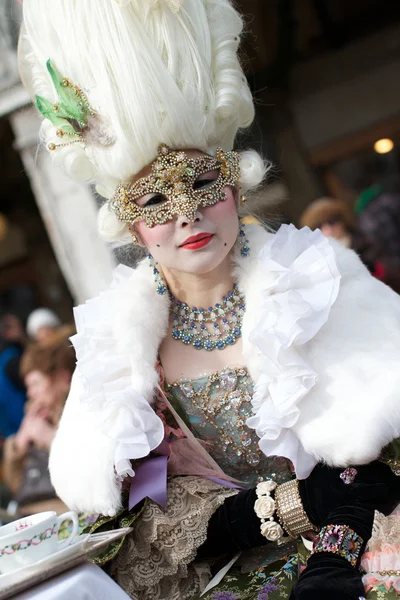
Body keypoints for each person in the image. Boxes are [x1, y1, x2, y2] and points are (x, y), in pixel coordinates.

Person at [20, 1, 400, 598]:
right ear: (131, 226)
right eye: (154, 201)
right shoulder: (123, 350)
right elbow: (137, 514)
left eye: (202, 184)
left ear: (233, 182)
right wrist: (269, 513)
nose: (187, 213)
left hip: (371, 548)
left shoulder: (319, 284)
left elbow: (384, 458)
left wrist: (335, 553)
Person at [2, 337, 75, 515]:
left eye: (35, 383)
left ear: (62, 378)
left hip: (62, 512)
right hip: (27, 512)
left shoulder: (79, 412)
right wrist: (18, 445)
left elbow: (90, 473)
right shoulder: (34, 417)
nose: (30, 393)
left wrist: (51, 438)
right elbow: (15, 486)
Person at [300, 196, 400, 293]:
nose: (328, 229)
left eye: (332, 221)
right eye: (319, 226)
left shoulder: (368, 243)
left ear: (343, 221)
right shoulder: (318, 263)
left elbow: (393, 275)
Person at [0, 313, 26, 438]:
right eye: (17, 327)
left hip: (12, 429)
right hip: (22, 426)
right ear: (7, 333)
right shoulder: (12, 360)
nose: (22, 330)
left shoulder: (6, 357)